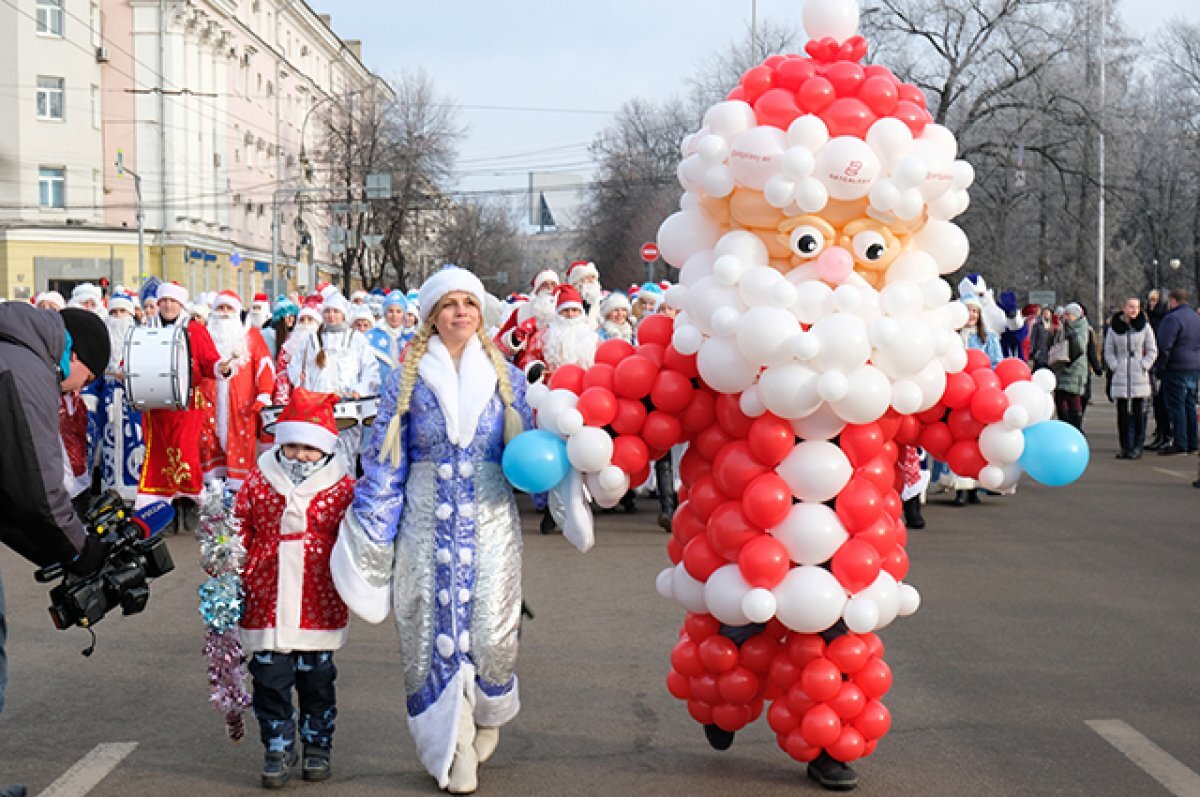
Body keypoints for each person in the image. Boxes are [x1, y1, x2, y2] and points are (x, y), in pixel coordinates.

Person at [330, 266, 534, 795]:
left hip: (491, 519)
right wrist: (374, 531)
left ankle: (487, 712)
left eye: (468, 302)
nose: (460, 311)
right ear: (431, 317)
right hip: (425, 519)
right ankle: (452, 746)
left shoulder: (508, 377)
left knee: (492, 628)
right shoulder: (405, 379)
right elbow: (383, 461)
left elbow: (530, 454)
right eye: (448, 304)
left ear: (480, 312)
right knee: (429, 632)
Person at [0, 303, 112, 797]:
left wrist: (50, 553)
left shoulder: (13, 350)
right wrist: (82, 552)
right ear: (77, 355)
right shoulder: (26, 372)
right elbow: (39, 489)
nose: (83, 387)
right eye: (90, 376)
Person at [233, 388, 356, 788]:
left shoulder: (343, 485)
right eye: (293, 446)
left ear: (324, 449)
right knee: (269, 677)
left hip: (317, 593)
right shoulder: (259, 478)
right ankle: (278, 745)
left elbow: (357, 534)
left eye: (309, 448)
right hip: (266, 589)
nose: (300, 455)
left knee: (317, 680)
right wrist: (229, 561)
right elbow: (240, 524)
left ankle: (318, 744)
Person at [135, 283, 223, 532]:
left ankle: (192, 504)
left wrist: (221, 368)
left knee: (185, 455)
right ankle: (163, 513)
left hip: (186, 406)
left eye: (173, 301)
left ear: (181, 304)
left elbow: (210, 361)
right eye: (163, 301)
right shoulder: (146, 329)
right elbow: (132, 358)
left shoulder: (195, 330)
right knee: (157, 457)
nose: (168, 305)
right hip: (156, 408)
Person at [208, 291, 275, 489]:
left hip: (241, 408)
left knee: (241, 453)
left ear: (238, 312)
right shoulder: (206, 336)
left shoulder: (251, 336)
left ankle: (239, 497)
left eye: (229, 308)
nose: (225, 313)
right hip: (208, 408)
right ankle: (212, 496)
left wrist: (264, 394)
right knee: (209, 454)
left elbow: (265, 366)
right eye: (220, 308)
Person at [949, 298, 1002, 505]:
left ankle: (974, 486)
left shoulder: (988, 338)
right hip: (957, 395)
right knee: (959, 441)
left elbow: (996, 364)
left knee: (979, 442)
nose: (972, 315)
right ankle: (960, 487)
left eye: (976, 312)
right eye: (969, 311)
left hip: (980, 396)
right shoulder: (952, 337)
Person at [1104, 297, 1157, 459]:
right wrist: (1115, 365)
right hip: (1121, 374)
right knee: (1122, 413)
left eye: (1137, 307)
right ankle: (1125, 446)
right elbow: (1108, 350)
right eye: (1131, 307)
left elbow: (1152, 350)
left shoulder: (1145, 327)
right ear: (1124, 308)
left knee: (1138, 412)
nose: (1134, 310)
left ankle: (1137, 446)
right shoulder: (1114, 328)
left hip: (1138, 374)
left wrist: (1144, 365)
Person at [1153, 288, 1200, 456]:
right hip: (1194, 367)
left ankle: (1181, 442)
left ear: (1172, 300)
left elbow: (1164, 345)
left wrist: (1160, 367)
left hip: (1176, 367)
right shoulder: (1196, 318)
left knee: (1176, 407)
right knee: (1190, 405)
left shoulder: (1172, 319)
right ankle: (1193, 442)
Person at [541, 285, 598, 373]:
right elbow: (531, 361)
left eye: (574, 310)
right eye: (566, 310)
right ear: (558, 312)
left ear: (580, 312)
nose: (570, 314)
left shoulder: (592, 337)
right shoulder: (545, 336)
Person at [1052, 302, 1090, 433]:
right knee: (1060, 400)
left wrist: (1068, 331)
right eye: (1065, 314)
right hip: (1061, 368)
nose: (1066, 317)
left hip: (1075, 369)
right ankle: (1064, 427)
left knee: (1073, 399)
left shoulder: (1082, 328)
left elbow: (1079, 347)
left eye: (1069, 315)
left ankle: (1076, 428)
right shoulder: (1062, 327)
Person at [363, 291, 410, 387]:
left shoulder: (411, 337)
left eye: (398, 311)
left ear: (404, 314)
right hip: (378, 392)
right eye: (390, 311)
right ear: (385, 312)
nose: (394, 315)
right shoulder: (371, 337)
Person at [1145, 289, 1172, 449]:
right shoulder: (1150, 322)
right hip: (1154, 366)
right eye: (1150, 301)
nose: (1151, 304)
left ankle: (1166, 433)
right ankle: (1161, 433)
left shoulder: (1164, 321)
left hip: (1162, 365)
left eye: (1154, 301)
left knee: (1163, 402)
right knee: (1157, 402)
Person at [565, 260, 602, 327]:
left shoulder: (603, 300)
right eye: (587, 278)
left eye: (593, 277)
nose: (591, 281)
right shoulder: (568, 303)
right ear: (577, 282)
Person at [1028, 306, 1056, 372]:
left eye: (1048, 313)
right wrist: (1031, 351)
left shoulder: (1054, 326)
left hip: (1050, 353)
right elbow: (1033, 338)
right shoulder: (1037, 325)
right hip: (1039, 353)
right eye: (1045, 313)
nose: (1046, 315)